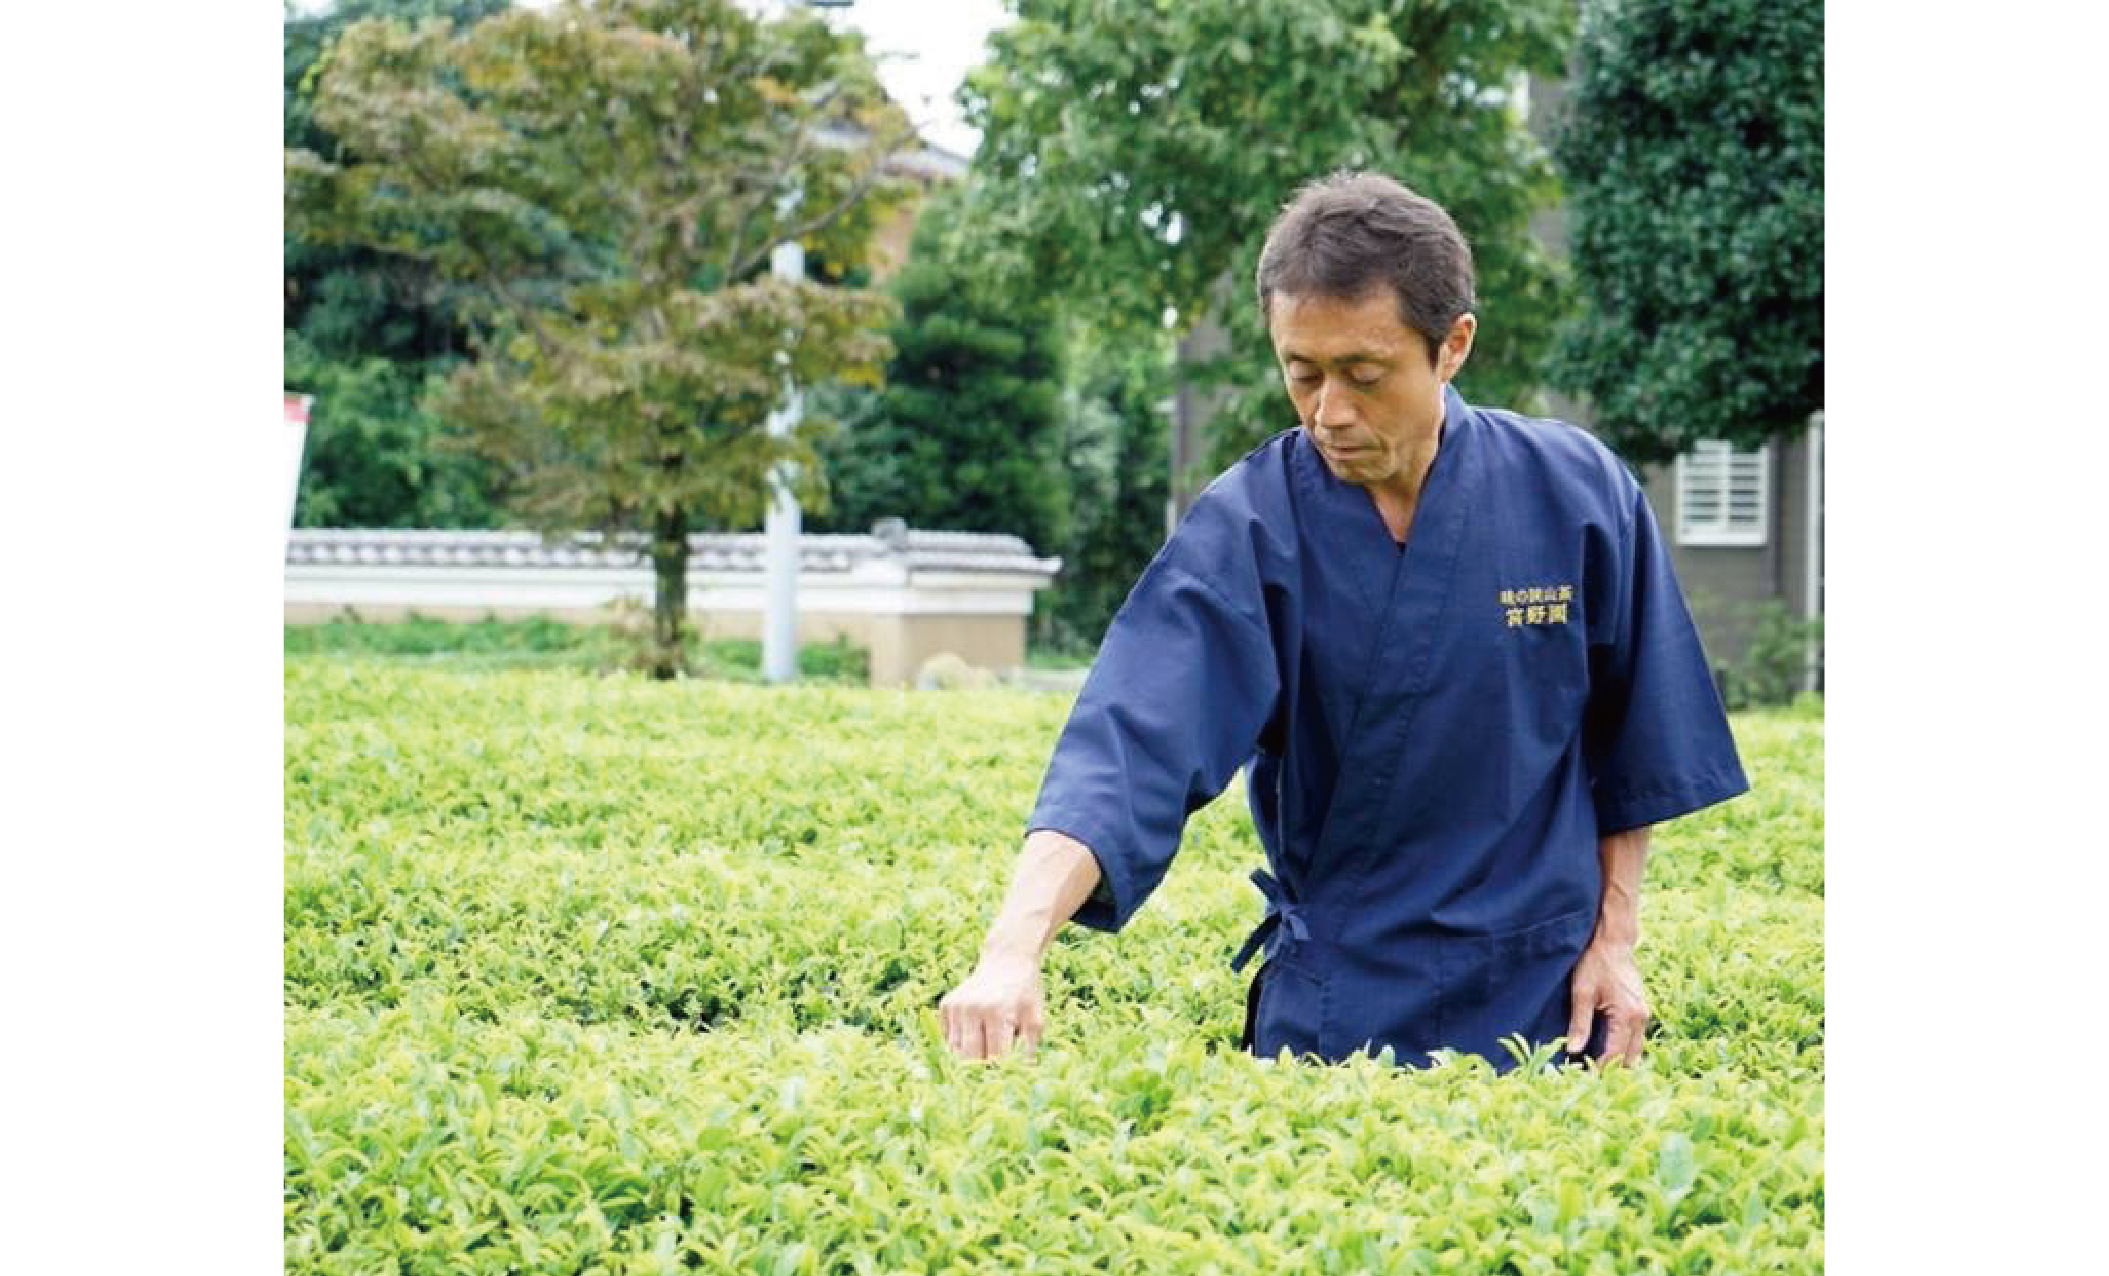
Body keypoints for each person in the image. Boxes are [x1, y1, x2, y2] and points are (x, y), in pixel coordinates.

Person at [939, 171, 1748, 1071]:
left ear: (1452, 346)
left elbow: (1629, 750)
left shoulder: (1578, 492)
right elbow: (1130, 741)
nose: (1330, 412)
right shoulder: (1252, 524)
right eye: (1302, 374)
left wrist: (1616, 943)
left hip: (1544, 1000)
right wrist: (1010, 951)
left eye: (1364, 375)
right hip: (1336, 1010)